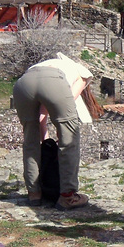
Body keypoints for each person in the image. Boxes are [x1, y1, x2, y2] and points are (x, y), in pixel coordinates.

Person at [12, 52, 93, 210]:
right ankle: (67, 197)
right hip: (52, 83)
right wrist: (56, 140)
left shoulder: (45, 65)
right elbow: (65, 110)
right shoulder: (83, 73)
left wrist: (45, 141)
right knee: (69, 138)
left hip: (23, 83)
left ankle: (34, 193)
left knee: (30, 140)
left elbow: (42, 115)